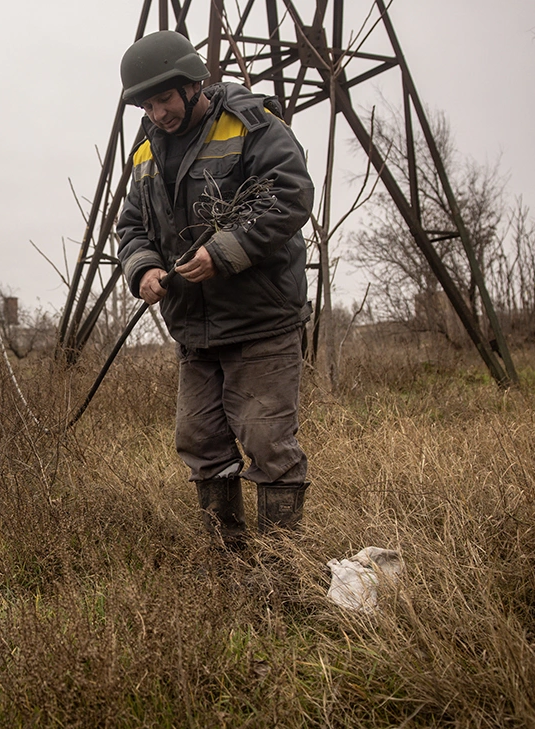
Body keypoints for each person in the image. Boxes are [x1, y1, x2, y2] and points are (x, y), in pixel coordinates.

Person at [116, 31, 315, 550]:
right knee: (200, 443)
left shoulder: (252, 125)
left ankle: (280, 571)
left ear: (192, 84)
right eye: (147, 105)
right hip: (194, 330)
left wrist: (223, 252)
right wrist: (144, 270)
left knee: (268, 444)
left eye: (164, 99)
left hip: (260, 322)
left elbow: (289, 195)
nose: (157, 113)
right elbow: (132, 226)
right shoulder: (144, 152)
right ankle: (227, 564)